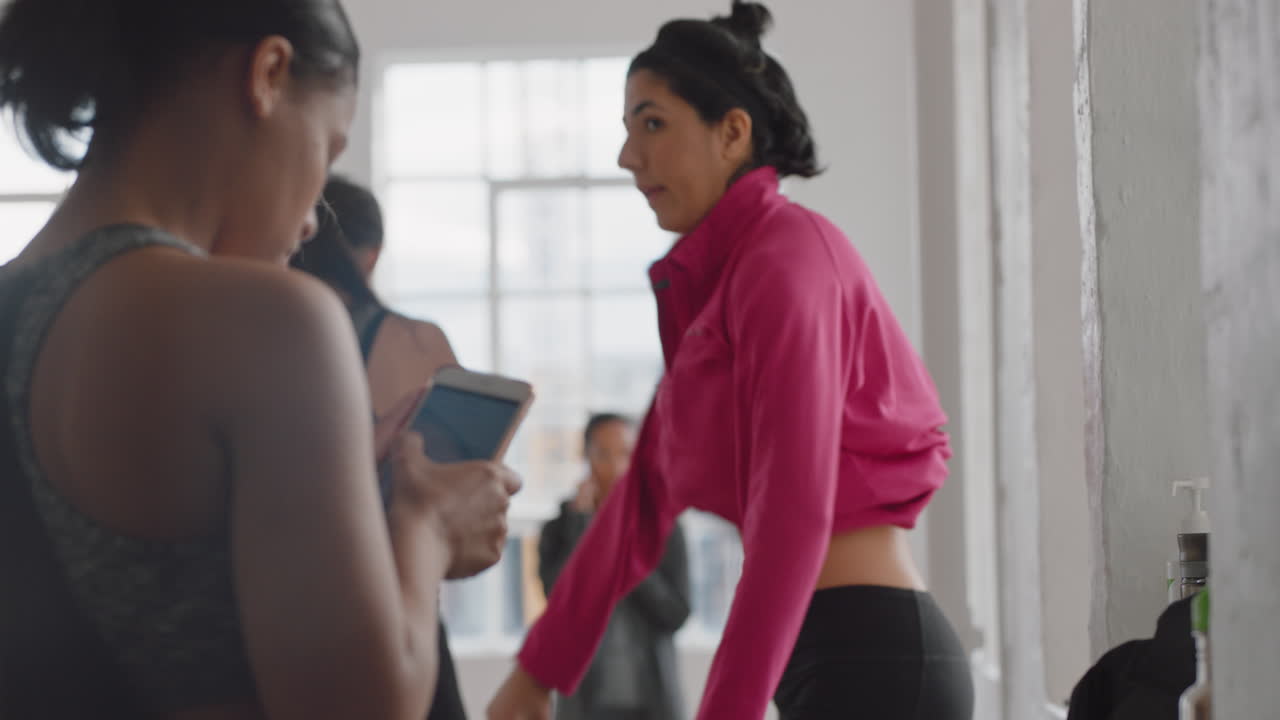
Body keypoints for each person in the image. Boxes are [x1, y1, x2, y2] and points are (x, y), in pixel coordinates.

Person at [0, 2, 518, 719]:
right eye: (328, 149)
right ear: (268, 74)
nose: (311, 220)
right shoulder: (274, 321)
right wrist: (424, 530)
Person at [488, 3, 974, 719]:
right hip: (826, 651)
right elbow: (643, 498)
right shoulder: (724, 286)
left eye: (652, 123)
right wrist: (535, 675)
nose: (628, 156)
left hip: (872, 654)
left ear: (732, 133)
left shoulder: (787, 258)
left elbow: (792, 516)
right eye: (627, 129)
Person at [292, 176, 467, 720]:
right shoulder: (416, 344)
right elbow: (463, 493)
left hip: (286, 615)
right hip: (399, 603)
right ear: (371, 256)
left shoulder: (263, 335)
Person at [537, 413, 689, 720]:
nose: (616, 467)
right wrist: (584, 530)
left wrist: (627, 554)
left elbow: (676, 614)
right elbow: (558, 603)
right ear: (586, 457)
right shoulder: (560, 529)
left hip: (652, 703)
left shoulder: (665, 528)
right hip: (584, 706)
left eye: (625, 454)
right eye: (603, 454)